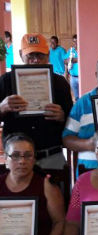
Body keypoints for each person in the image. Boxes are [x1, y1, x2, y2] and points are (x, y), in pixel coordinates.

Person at [0, 33, 73, 170]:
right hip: (17, 160)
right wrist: (1, 108)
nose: (35, 60)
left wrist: (63, 117)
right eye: (31, 56)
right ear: (21, 54)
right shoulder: (5, 82)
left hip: (51, 158)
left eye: (40, 55)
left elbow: (72, 124)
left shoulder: (60, 83)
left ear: (48, 55)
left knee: (56, 191)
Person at [65, 34, 79, 100]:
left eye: (77, 41)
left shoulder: (83, 50)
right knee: (76, 97)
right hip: (73, 77)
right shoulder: (71, 51)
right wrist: (68, 60)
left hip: (81, 78)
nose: (76, 43)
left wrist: (76, 60)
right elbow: (65, 61)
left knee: (83, 96)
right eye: (74, 41)